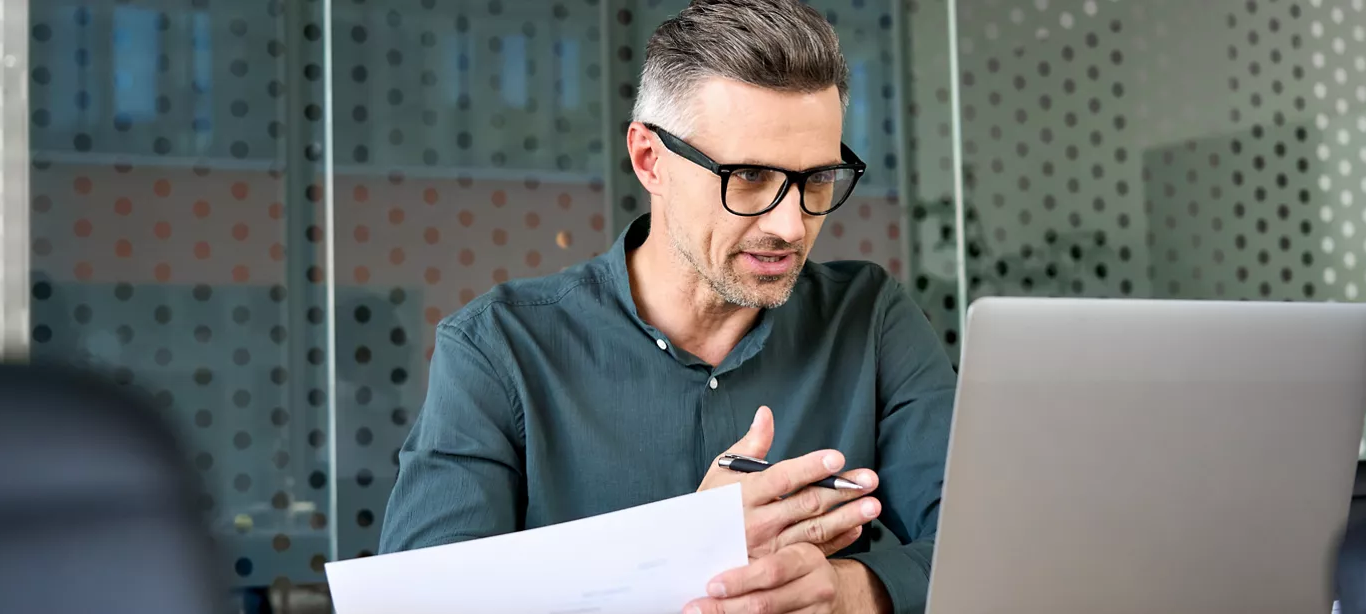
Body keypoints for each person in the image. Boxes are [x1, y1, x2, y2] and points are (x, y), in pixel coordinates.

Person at [378, 1, 956, 612]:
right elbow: (418, 599)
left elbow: (993, 549)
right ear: (650, 160)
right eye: (751, 176)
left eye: (817, 179)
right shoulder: (498, 348)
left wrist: (852, 592)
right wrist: (679, 552)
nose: (791, 225)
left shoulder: (871, 319)